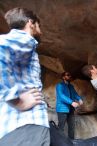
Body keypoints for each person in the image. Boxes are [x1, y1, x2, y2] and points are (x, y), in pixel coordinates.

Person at [0, 7, 50, 146]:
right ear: (30, 23)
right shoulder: (24, 38)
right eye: (39, 25)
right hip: (26, 127)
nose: (41, 30)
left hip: (14, 128)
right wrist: (17, 102)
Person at [55, 71, 83, 139]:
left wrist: (79, 99)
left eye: (70, 75)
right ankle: (59, 142)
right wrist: (72, 102)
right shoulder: (59, 85)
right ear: (63, 77)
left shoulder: (71, 86)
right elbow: (61, 96)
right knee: (61, 127)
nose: (69, 76)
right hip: (62, 109)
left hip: (70, 109)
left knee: (72, 126)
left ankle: (71, 141)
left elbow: (75, 93)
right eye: (67, 75)